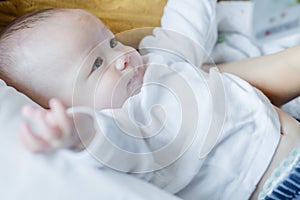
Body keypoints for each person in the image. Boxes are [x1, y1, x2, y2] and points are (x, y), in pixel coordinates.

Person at [0, 1, 299, 199]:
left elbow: (184, 27)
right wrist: (76, 133)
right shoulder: (126, 128)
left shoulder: (155, 61)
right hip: (272, 188)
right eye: (96, 65)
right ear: (69, 107)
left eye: (112, 41)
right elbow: (104, 144)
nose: (121, 58)